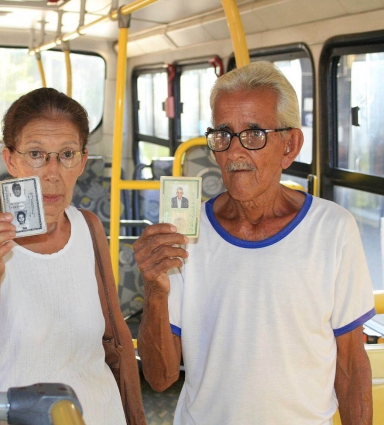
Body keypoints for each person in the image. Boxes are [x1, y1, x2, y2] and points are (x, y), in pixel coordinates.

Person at [135, 61, 375, 425]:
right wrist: (155, 290)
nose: (234, 152)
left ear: (289, 145)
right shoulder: (183, 237)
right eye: (223, 135)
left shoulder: (332, 230)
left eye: (254, 134)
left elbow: (351, 363)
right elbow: (160, 377)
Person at [0, 87, 145, 425]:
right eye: (36, 154)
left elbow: (118, 340)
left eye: (66, 154)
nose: (52, 173)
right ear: (10, 160)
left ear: (82, 162)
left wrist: (136, 417)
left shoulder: (89, 227)